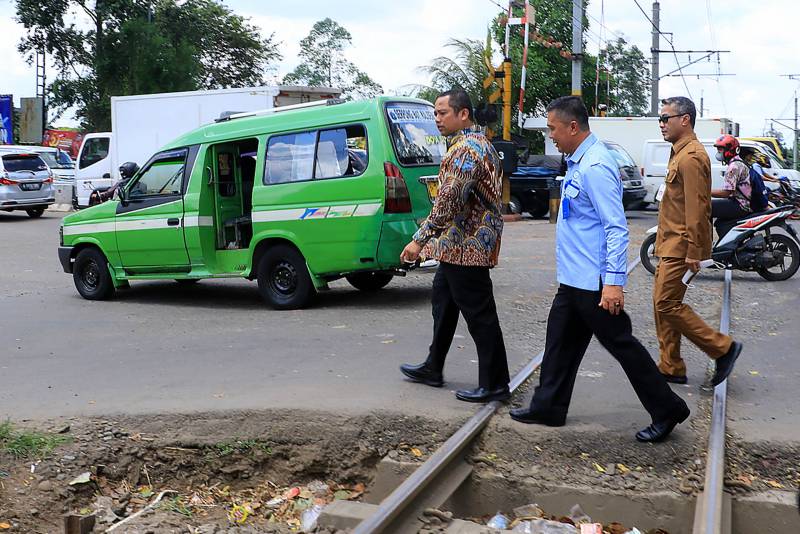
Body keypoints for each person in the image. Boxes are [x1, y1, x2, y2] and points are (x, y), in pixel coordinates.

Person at [509, 96, 690, 443]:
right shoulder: (579, 161)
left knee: (622, 344)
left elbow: (615, 227)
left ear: (573, 127)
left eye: (553, 129)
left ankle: (667, 408)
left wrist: (613, 283)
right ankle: (548, 405)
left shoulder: (595, 166)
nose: (551, 136)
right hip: (574, 279)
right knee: (559, 342)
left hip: (594, 282)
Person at [398, 88, 510, 404]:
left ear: (463, 114)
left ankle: (495, 384)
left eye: (443, 112)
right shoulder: (474, 143)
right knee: (443, 305)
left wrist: (418, 241)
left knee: (480, 316)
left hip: (467, 249)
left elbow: (448, 200)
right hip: (455, 246)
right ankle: (433, 367)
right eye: (435, 113)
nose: (437, 119)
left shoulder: (467, 150)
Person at [653, 96, 742, 386]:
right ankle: (671, 365)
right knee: (661, 304)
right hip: (670, 242)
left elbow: (698, 207)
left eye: (666, 118)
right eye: (661, 118)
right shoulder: (678, 152)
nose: (662, 123)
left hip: (681, 244)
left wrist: (695, 250)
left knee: (667, 303)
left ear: (685, 120)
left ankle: (722, 348)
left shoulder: (691, 156)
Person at [710, 135, 752, 238]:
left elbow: (726, 193)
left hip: (740, 205)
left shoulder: (734, 167)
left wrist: (705, 191)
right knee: (720, 224)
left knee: (706, 207)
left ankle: (705, 243)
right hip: (743, 203)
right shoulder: (738, 163)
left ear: (730, 150)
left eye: (721, 149)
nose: (718, 152)